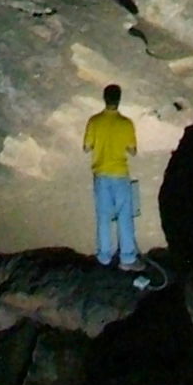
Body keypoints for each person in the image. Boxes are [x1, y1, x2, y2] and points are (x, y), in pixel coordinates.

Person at [84, 85, 142, 269]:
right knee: (125, 216)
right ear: (119, 99)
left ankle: (104, 257)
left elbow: (86, 147)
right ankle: (127, 258)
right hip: (120, 174)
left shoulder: (94, 121)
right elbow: (132, 151)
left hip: (101, 175)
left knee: (103, 217)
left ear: (104, 98)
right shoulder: (126, 123)